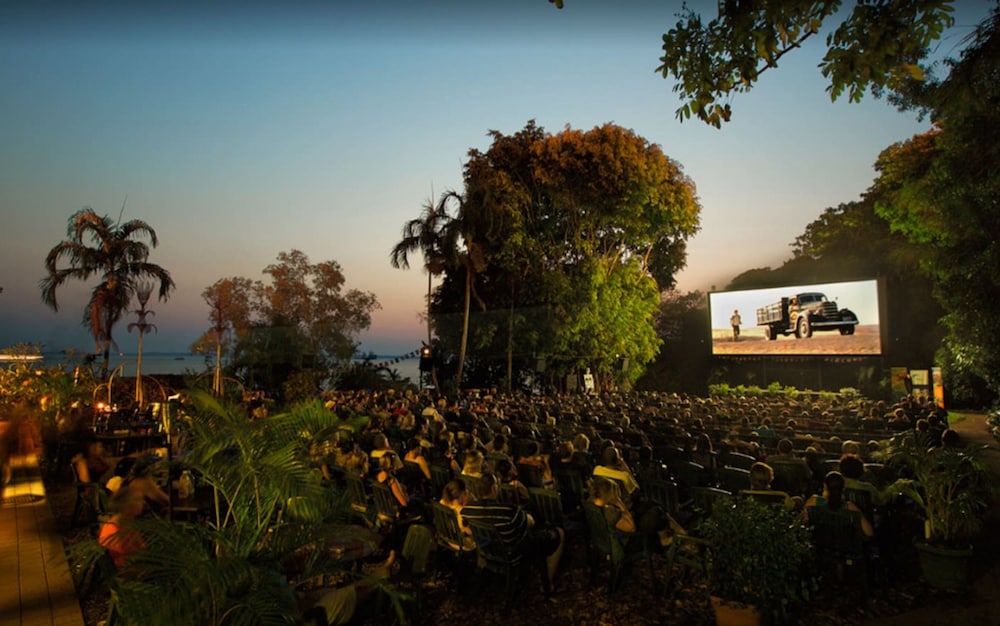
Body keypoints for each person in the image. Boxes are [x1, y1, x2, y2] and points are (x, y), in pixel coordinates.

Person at [460, 473, 564, 600]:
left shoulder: (468, 510)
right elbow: (529, 524)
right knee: (558, 533)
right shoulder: (509, 511)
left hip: (487, 550)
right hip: (513, 551)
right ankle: (547, 584)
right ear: (494, 488)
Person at [802, 471, 874, 537]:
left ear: (825, 486)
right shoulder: (851, 507)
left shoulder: (813, 501)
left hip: (819, 546)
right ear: (843, 488)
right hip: (846, 548)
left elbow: (802, 523)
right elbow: (869, 532)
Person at [98, 487, 147, 569]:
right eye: (138, 500)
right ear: (126, 505)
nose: (143, 503)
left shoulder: (126, 523)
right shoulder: (115, 532)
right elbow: (124, 563)